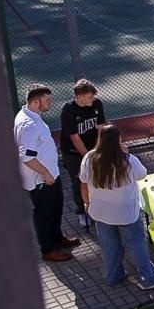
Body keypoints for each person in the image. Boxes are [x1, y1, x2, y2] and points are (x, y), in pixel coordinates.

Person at [79, 124, 154, 290]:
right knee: (136, 244)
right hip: (126, 212)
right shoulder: (127, 160)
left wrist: (87, 202)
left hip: (100, 212)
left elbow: (83, 185)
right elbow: (142, 174)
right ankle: (149, 278)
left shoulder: (89, 158)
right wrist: (127, 154)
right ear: (118, 140)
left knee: (108, 246)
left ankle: (113, 276)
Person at [15, 85, 78, 263]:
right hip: (41, 180)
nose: (50, 103)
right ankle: (48, 249)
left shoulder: (31, 116)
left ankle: (57, 239)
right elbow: (26, 157)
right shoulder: (29, 126)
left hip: (51, 175)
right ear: (36, 102)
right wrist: (45, 174)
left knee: (56, 208)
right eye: (47, 100)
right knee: (44, 214)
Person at [59, 79, 105, 232]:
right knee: (79, 181)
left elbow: (101, 128)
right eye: (90, 97)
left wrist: (97, 150)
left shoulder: (97, 104)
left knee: (97, 178)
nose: (93, 99)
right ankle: (82, 212)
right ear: (80, 97)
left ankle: (98, 209)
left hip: (93, 150)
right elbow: (74, 137)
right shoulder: (68, 111)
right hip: (74, 154)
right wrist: (87, 157)